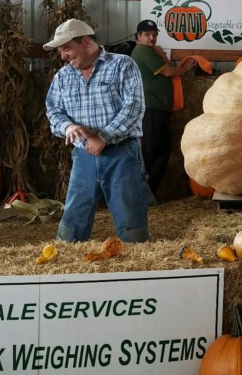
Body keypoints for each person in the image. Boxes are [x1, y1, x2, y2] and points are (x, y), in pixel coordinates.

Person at [43, 18, 150, 242]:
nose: (63, 56)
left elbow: (134, 107)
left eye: (66, 48)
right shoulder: (63, 77)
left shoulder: (122, 65)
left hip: (122, 154)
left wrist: (102, 137)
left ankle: (134, 252)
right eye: (60, 51)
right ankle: (68, 255)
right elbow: (53, 111)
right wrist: (68, 126)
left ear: (86, 42)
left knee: (130, 220)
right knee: (73, 220)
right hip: (84, 156)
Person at [130, 19, 196, 201]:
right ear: (138, 36)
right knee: (150, 149)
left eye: (154, 35)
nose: (151, 38)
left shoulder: (150, 51)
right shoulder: (143, 51)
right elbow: (168, 72)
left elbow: (166, 68)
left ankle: (149, 189)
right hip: (151, 106)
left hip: (158, 107)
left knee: (162, 148)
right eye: (147, 35)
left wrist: (161, 54)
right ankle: (141, 192)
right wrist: (185, 68)